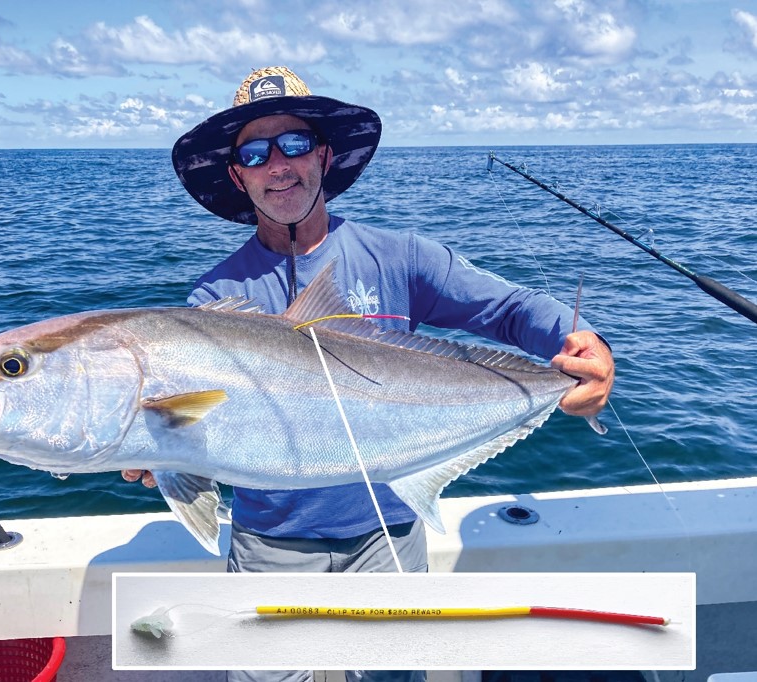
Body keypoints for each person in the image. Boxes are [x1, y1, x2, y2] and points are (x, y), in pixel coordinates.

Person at [123, 66, 614, 681]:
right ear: (237, 174)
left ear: (324, 156)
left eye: (294, 144)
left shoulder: (400, 257)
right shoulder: (216, 295)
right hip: (272, 544)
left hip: (389, 531)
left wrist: (582, 346)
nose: (278, 165)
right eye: (255, 151)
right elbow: (209, 420)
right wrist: (161, 448)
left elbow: (510, 309)